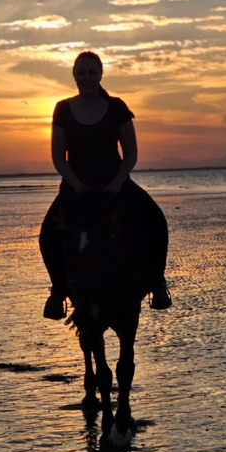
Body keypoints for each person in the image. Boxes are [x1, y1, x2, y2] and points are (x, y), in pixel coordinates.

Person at [39, 51, 172, 320]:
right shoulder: (63, 108)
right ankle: (58, 291)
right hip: (76, 189)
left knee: (156, 221)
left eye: (92, 72)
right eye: (82, 73)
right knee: (47, 235)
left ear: (101, 75)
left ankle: (158, 282)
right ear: (74, 76)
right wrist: (76, 185)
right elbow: (58, 157)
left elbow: (131, 153)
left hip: (115, 185)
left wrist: (116, 183)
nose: (87, 78)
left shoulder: (117, 107)